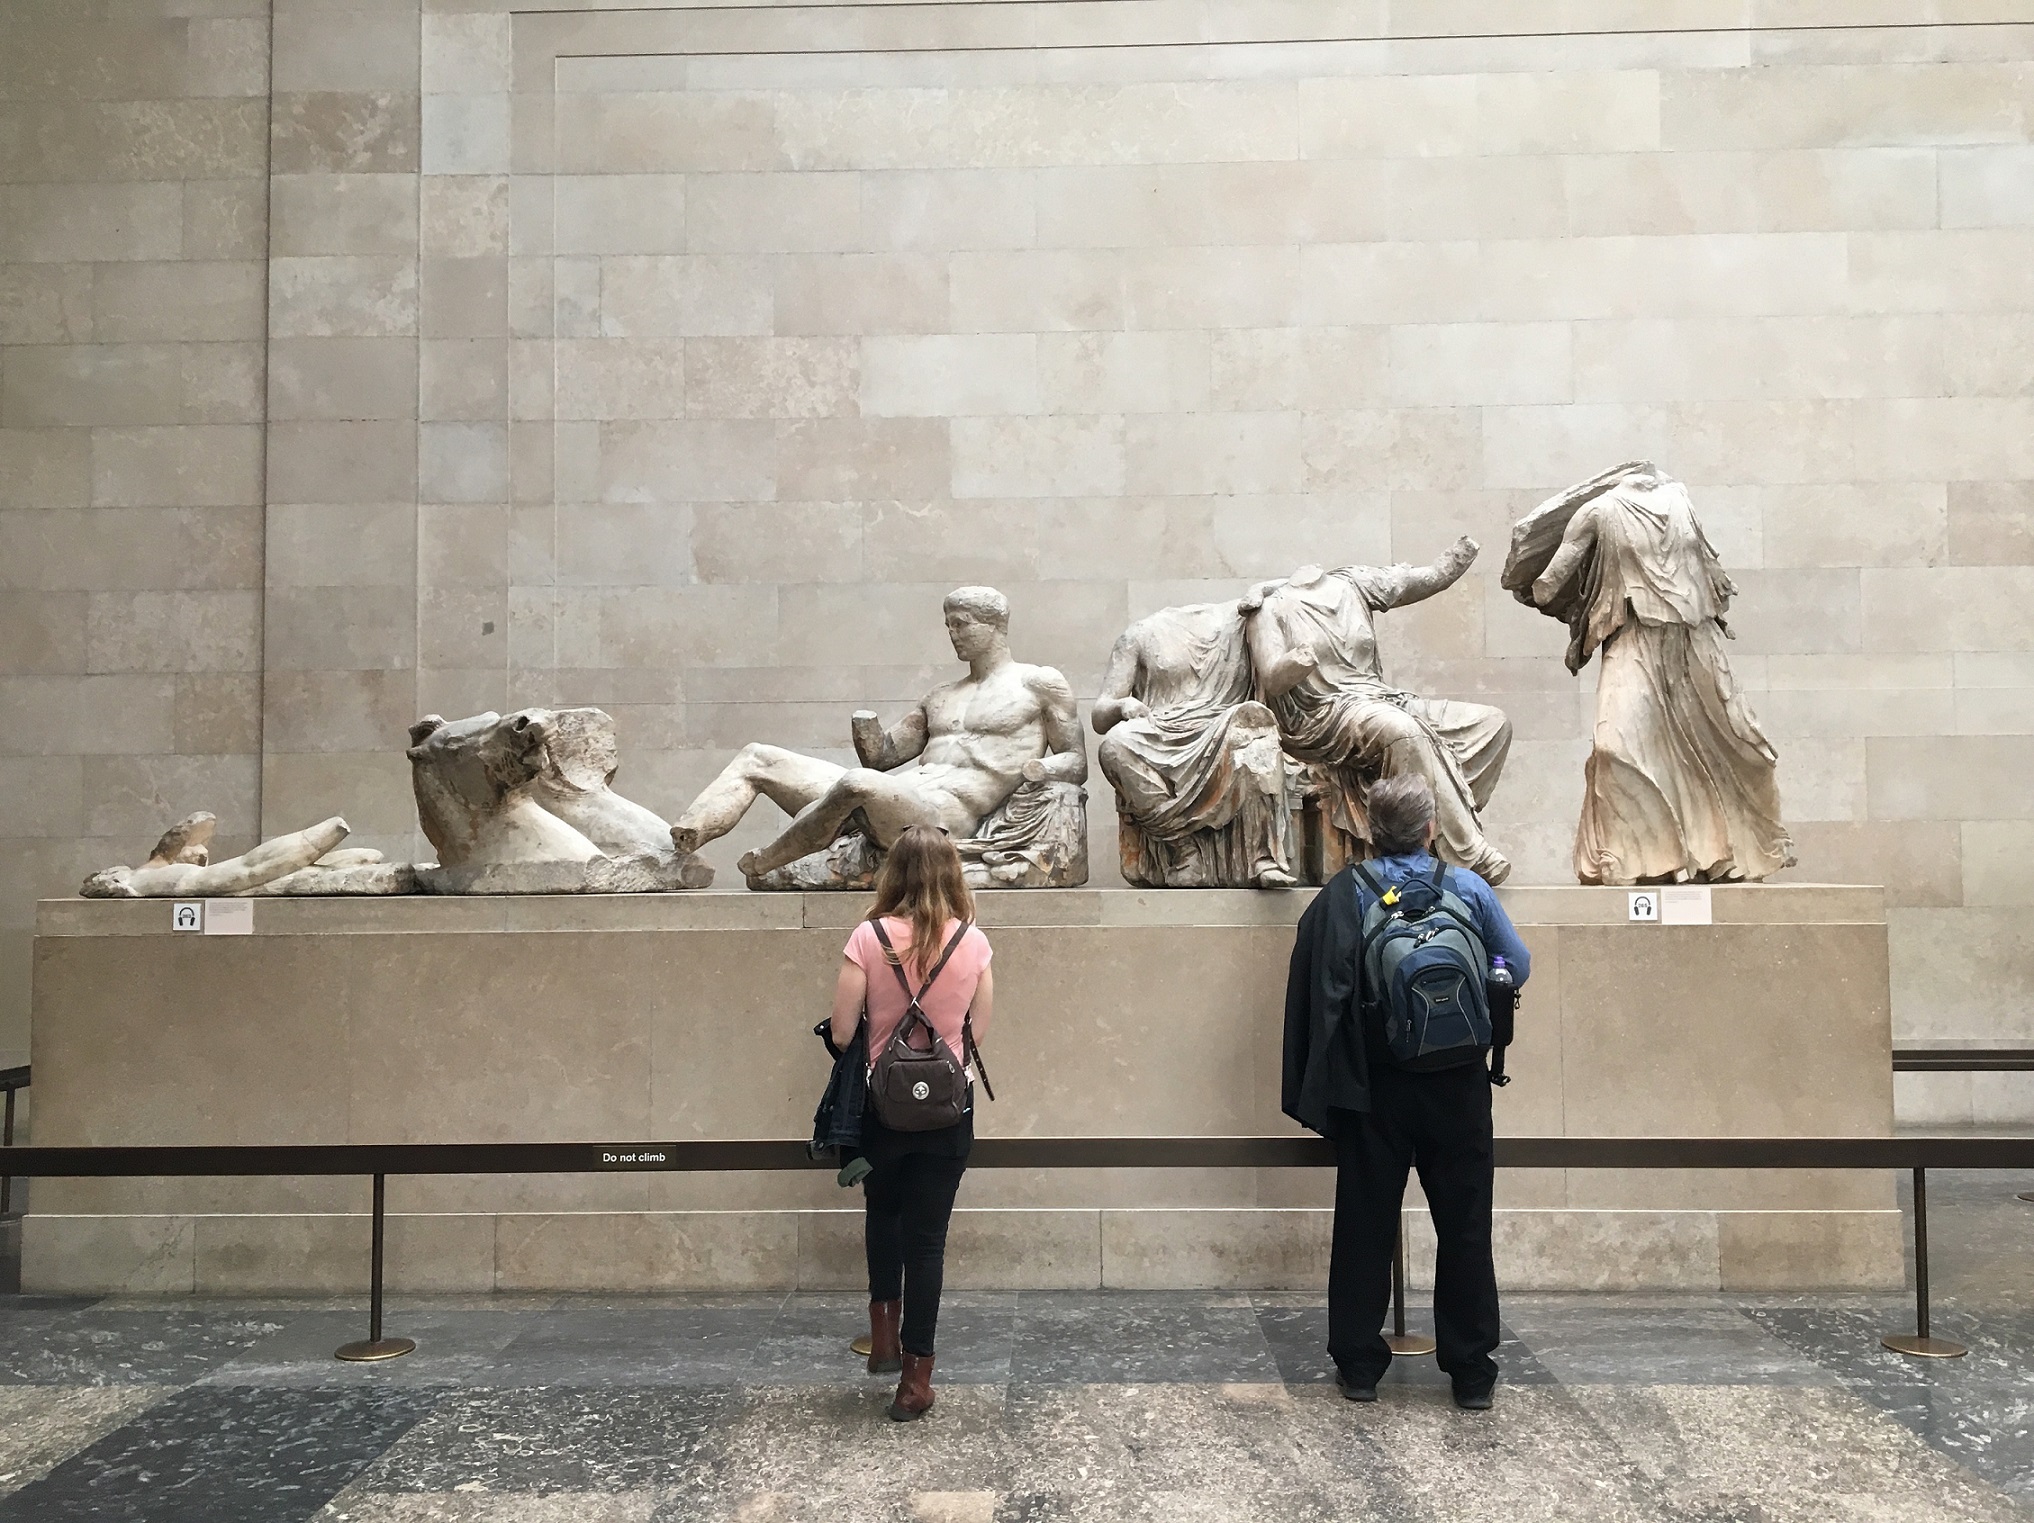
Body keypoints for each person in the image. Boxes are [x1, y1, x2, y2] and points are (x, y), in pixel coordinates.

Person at [1281, 774, 1530, 1411]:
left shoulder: (1345, 894)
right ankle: (1471, 1372)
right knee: (1466, 1226)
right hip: (1459, 1085)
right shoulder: (1467, 887)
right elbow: (1517, 965)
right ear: (1428, 829)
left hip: (1375, 1086)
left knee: (1365, 1223)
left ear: (1369, 831)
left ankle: (1361, 1366)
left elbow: (1315, 986)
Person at [827, 824, 994, 1421]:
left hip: (882, 1112)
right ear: (953, 872)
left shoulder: (868, 936)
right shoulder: (972, 941)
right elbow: (977, 1030)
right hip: (949, 1113)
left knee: (883, 1214)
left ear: (892, 871)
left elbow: (843, 1030)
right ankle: (917, 1380)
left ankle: (886, 1341)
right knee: (928, 1241)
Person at [1242, 545, 1514, 885]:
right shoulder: (1267, 608)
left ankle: (1429, 825)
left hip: (1380, 698)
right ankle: (1467, 853)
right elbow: (1272, 678)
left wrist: (1457, 559)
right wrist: (1299, 660)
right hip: (1323, 712)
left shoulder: (1353, 584)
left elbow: (1425, 579)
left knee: (1492, 724)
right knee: (1403, 732)